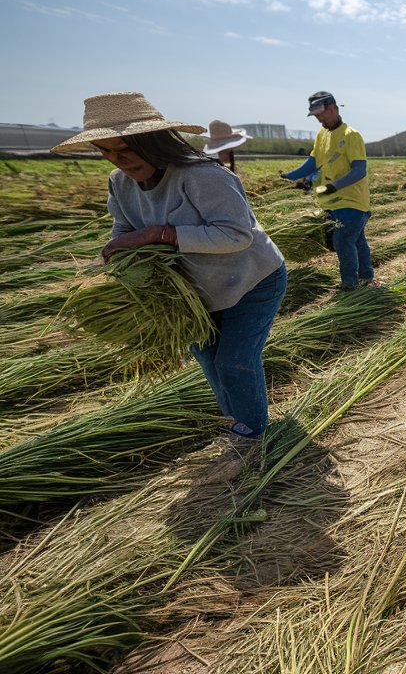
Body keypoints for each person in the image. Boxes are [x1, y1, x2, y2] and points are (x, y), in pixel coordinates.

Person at [52, 92, 287, 454]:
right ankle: (235, 420)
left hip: (251, 278)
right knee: (209, 360)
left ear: (153, 140)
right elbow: (123, 228)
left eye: (125, 148)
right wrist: (117, 257)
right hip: (195, 291)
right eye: (106, 151)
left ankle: (252, 435)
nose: (119, 160)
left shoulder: (202, 175)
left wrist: (159, 234)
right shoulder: (120, 183)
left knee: (234, 360)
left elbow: (237, 234)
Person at [279, 91, 373, 290]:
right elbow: (313, 162)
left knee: (343, 241)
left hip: (352, 200)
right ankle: (366, 277)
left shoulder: (351, 136)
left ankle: (349, 284)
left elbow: (360, 170)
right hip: (331, 200)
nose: (319, 119)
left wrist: (334, 186)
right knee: (357, 240)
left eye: (321, 114)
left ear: (333, 109)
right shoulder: (322, 135)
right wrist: (294, 176)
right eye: (316, 116)